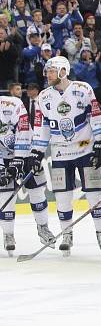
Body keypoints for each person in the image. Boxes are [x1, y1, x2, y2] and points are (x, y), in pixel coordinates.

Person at [30, 56, 101, 255]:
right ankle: (67, 234)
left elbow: (96, 116)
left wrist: (100, 141)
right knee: (62, 197)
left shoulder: (83, 89)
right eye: (47, 71)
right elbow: (42, 127)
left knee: (94, 194)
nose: (47, 75)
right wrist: (37, 152)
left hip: (85, 148)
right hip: (60, 152)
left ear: (63, 72)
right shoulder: (44, 97)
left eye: (51, 71)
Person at [0, 91, 56, 254]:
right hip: (3, 158)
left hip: (27, 153)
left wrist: (19, 159)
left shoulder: (11, 104)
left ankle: (43, 228)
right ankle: (8, 234)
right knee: (5, 193)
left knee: (37, 190)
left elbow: (23, 130)